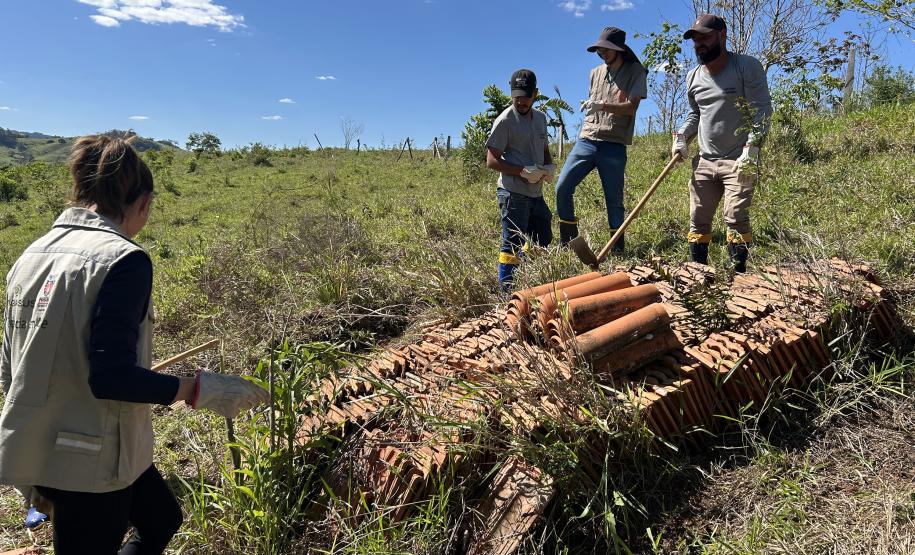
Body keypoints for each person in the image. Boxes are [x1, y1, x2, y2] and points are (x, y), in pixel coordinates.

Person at [0, 135, 269, 554]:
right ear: (142, 203)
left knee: (162, 517)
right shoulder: (124, 259)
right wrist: (198, 389)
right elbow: (111, 378)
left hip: (46, 442)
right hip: (91, 455)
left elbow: (9, 366)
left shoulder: (32, 254)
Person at [673, 14, 772, 272]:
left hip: (740, 158)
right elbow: (695, 114)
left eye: (705, 37)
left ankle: (737, 279)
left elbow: (762, 109)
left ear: (722, 35)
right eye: (695, 40)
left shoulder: (746, 67)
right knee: (698, 219)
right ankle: (698, 277)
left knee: (735, 217)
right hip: (705, 160)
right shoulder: (693, 76)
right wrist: (682, 136)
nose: (699, 44)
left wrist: (752, 149)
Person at [554, 26, 648, 250]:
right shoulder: (595, 73)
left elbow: (632, 107)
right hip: (587, 139)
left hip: (613, 144)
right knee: (562, 187)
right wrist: (592, 106)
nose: (603, 53)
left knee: (614, 201)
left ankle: (617, 249)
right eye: (600, 50)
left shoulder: (636, 71)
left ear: (619, 49)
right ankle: (568, 241)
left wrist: (603, 105)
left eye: (607, 49)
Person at [485, 68, 555, 291]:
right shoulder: (505, 120)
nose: (521, 102)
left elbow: (544, 148)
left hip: (536, 192)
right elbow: (491, 161)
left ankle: (528, 278)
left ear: (535, 93)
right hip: (513, 192)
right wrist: (522, 171)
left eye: (525, 97)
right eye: (516, 97)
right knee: (511, 243)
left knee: (543, 236)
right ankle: (506, 293)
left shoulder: (541, 119)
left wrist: (548, 166)